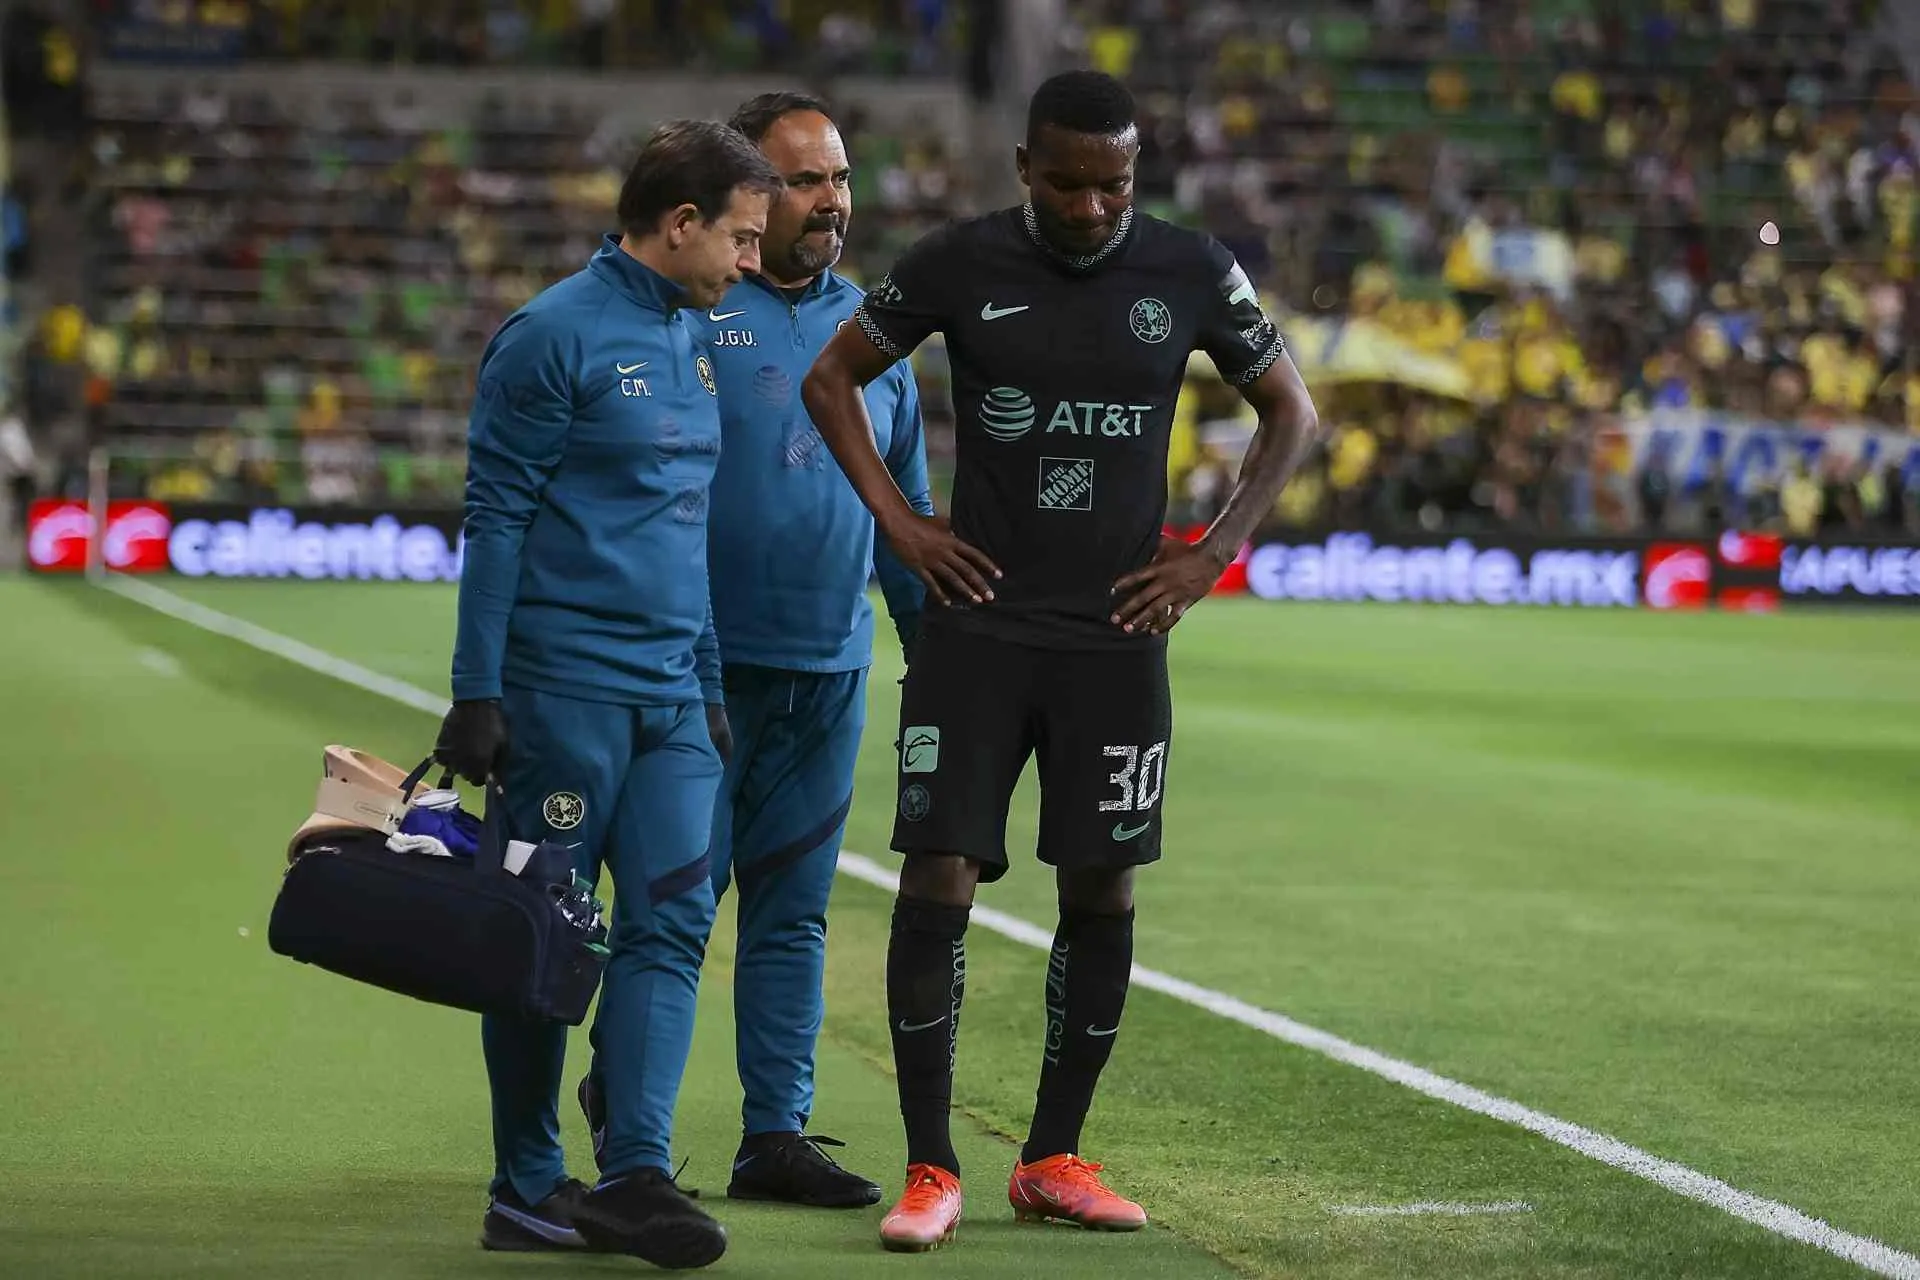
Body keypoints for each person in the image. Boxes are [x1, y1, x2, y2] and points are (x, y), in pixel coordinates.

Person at [800, 70, 1321, 1252]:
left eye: (1117, 185)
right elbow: (829, 378)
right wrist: (903, 522)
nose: (1095, 208)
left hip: (1115, 636)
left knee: (1102, 886)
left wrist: (1211, 554)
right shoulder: (955, 261)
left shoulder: (1190, 270)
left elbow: (1291, 408)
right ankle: (933, 1167)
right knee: (939, 876)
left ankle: (1051, 1158)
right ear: (1025, 169)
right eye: (1072, 184)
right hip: (976, 627)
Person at [432, 119, 782, 1270]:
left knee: (674, 920)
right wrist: (477, 691)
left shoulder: (692, 336)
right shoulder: (550, 337)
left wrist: (714, 682)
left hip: (675, 700)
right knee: (545, 932)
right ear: (678, 223)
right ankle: (527, 1181)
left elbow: (685, 529)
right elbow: (496, 519)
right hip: (563, 695)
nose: (748, 261)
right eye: (738, 237)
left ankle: (633, 1170)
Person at [662, 90, 930, 1209]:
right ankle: (628, 1120)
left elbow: (907, 517)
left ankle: (773, 1132)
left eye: (840, 178)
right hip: (696, 678)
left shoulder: (877, 328)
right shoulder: (682, 313)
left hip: (829, 676)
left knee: (794, 912)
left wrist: (941, 668)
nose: (832, 201)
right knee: (672, 908)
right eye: (806, 180)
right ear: (748, 194)